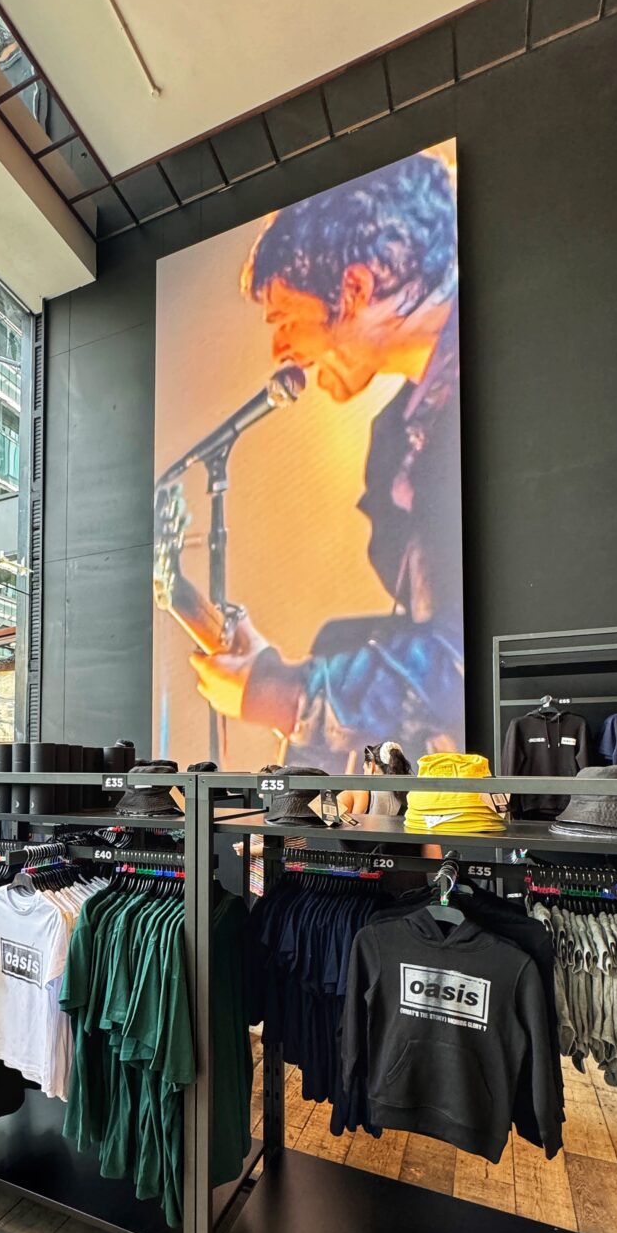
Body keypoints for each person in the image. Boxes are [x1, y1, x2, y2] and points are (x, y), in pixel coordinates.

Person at [188, 152, 464, 772]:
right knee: (337, 637)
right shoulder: (396, 431)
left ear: (355, 289)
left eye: (285, 319)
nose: (280, 350)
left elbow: (466, 652)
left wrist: (294, 695)